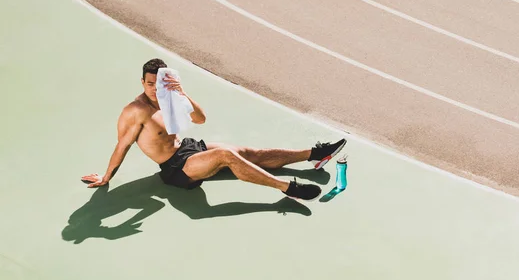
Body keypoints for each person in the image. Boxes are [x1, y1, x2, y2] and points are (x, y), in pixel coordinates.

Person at [81, 58, 347, 201]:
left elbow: (200, 120)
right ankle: (287, 188)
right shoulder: (136, 111)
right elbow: (122, 145)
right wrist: (106, 177)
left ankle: (313, 153)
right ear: (142, 82)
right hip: (176, 169)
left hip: (187, 149)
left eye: (158, 84)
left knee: (248, 152)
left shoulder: (170, 97)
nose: (154, 88)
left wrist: (182, 93)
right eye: (149, 84)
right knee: (227, 157)